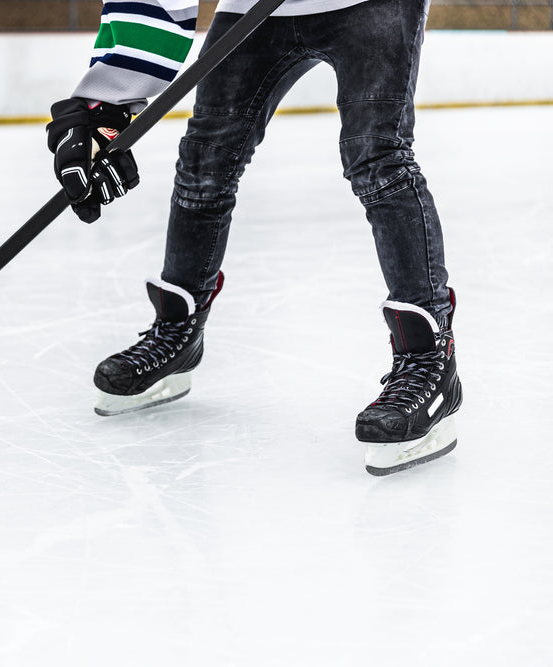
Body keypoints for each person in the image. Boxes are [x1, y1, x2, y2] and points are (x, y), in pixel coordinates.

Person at [45, 0, 462, 476]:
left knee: (377, 156)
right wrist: (106, 102)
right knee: (206, 160)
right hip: (255, 8)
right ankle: (178, 332)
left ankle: (430, 361)